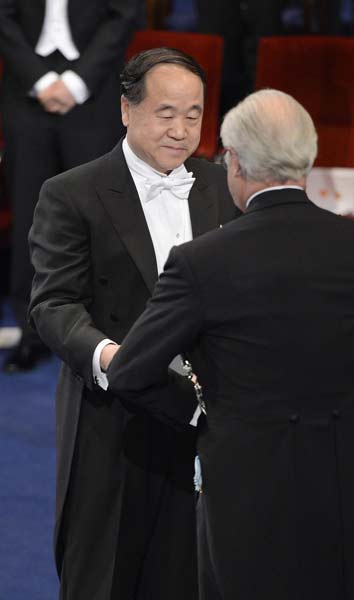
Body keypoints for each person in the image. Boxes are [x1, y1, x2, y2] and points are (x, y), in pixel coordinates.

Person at [108, 89, 354, 600]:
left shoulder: (201, 262)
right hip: (351, 481)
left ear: (236, 163)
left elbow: (130, 371)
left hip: (247, 490)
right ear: (307, 159)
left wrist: (204, 408)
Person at [28, 48, 237, 600]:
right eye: (166, 112)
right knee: (105, 576)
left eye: (194, 114)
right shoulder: (71, 193)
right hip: (113, 416)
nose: (181, 129)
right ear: (126, 109)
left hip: (207, 416)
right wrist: (110, 359)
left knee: (193, 571)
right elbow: (53, 305)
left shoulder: (221, 186)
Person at [0, 0, 139, 373]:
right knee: (29, 218)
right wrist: (42, 80)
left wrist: (77, 82)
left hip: (94, 94)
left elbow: (125, 13)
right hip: (25, 95)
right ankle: (32, 335)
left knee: (99, 217)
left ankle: (99, 336)